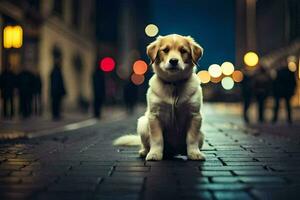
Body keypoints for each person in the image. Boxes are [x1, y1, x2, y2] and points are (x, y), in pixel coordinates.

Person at [50, 47, 66, 120]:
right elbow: (56, 82)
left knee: (57, 103)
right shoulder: (56, 71)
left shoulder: (57, 71)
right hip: (56, 91)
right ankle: (55, 115)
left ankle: (56, 114)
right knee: (55, 103)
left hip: (56, 91)